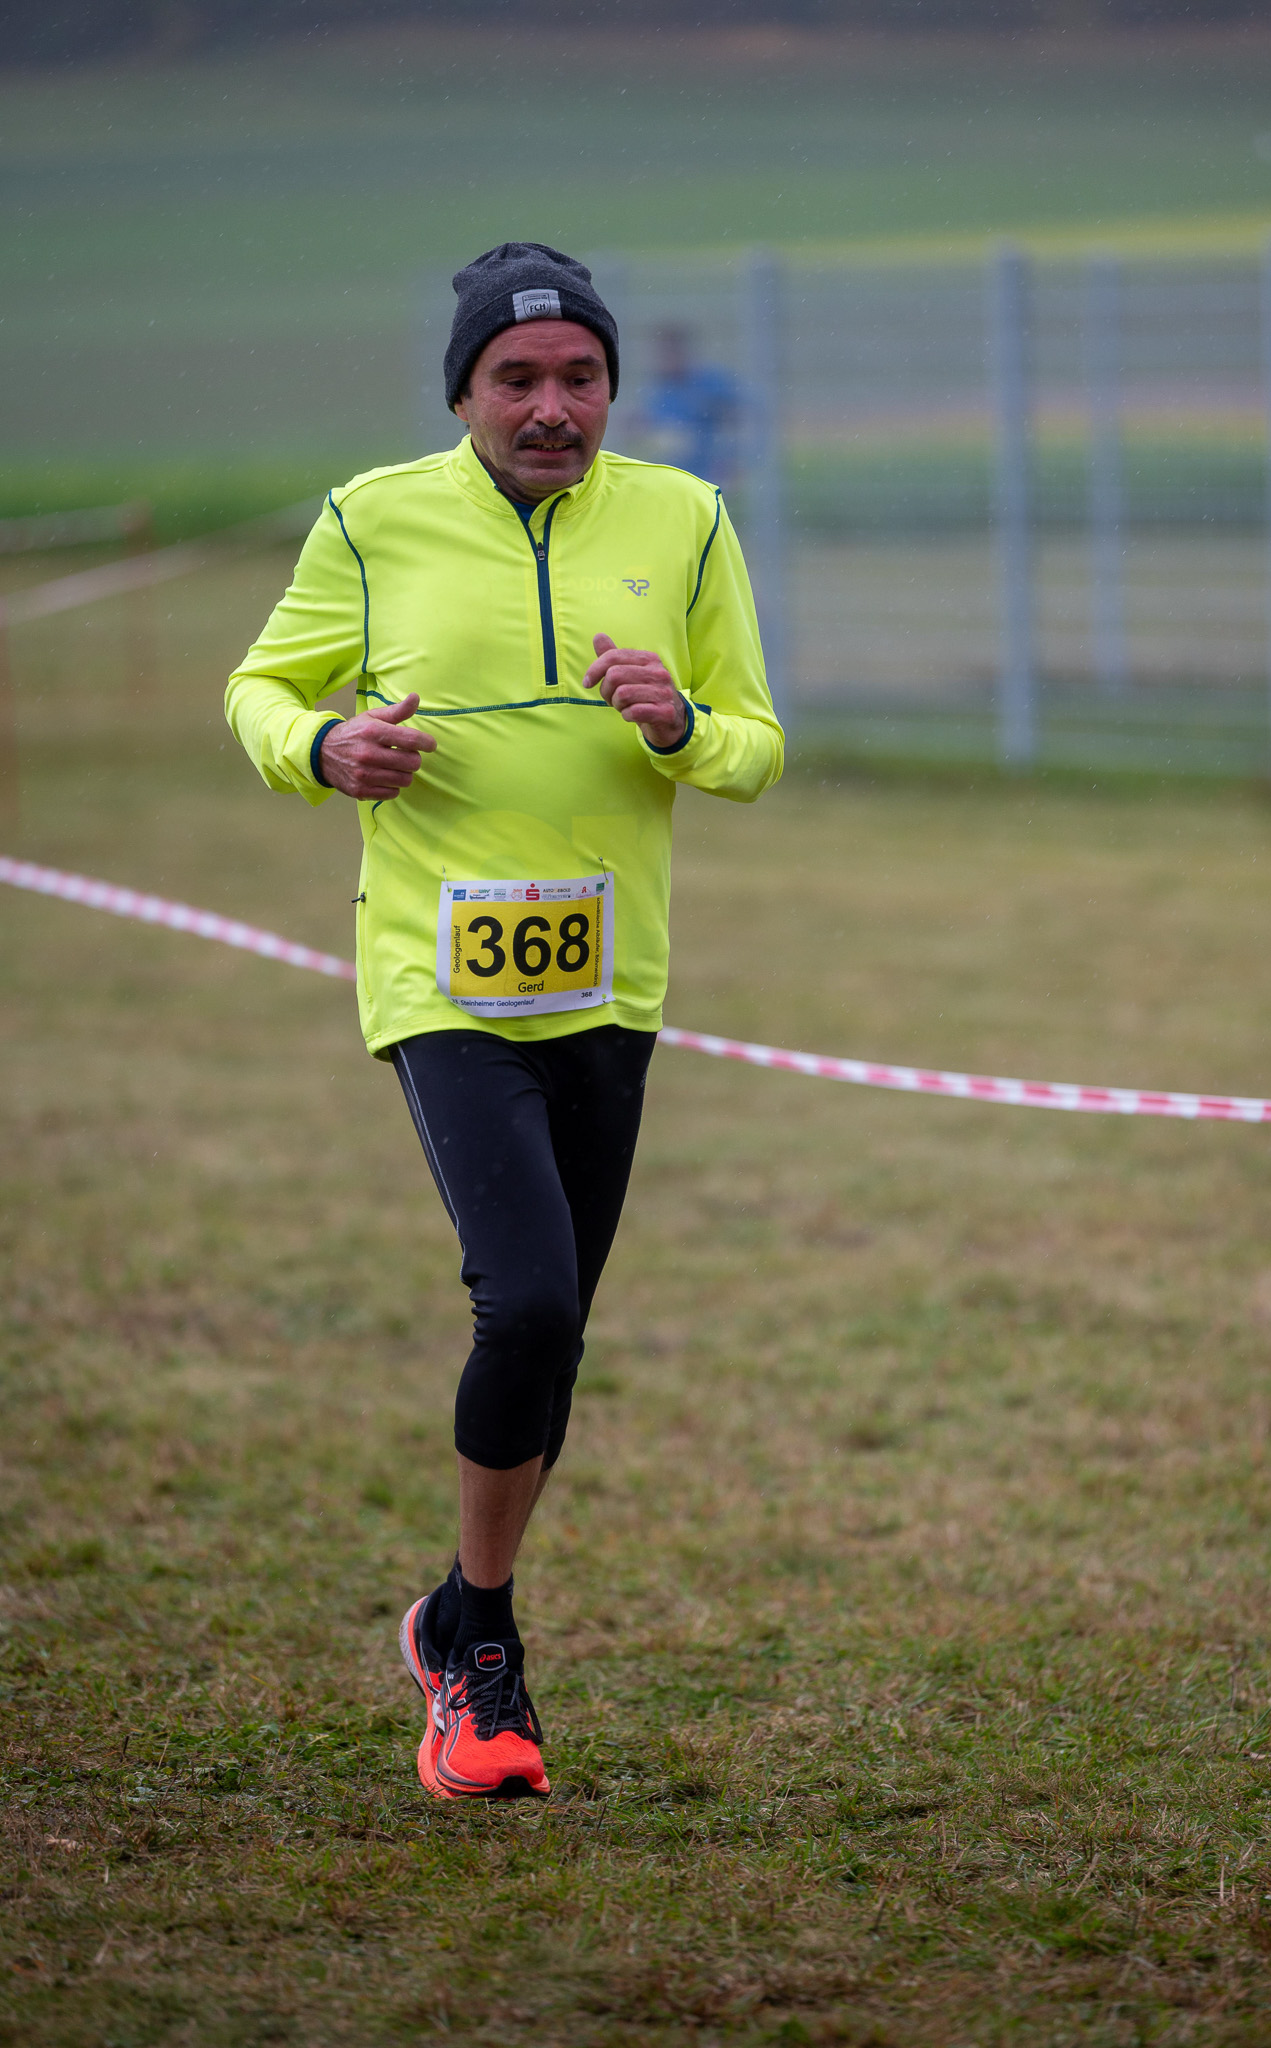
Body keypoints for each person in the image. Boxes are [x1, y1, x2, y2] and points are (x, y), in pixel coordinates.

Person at [225, 243, 783, 1802]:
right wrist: (324, 747)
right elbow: (261, 689)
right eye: (516, 379)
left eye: (579, 378)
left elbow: (753, 745)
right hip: (441, 976)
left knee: (558, 1341)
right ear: (462, 393)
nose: (551, 407)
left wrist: (679, 724)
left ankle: (454, 1613)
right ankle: (488, 1656)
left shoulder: (685, 518)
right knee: (523, 1302)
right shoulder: (371, 517)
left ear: (610, 389)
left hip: (610, 982)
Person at [633, 324, 744, 491]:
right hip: (673, 479)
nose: (663, 360)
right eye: (660, 354)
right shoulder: (658, 390)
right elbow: (653, 430)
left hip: (711, 476)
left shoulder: (710, 382)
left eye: (668, 353)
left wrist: (731, 459)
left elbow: (738, 418)